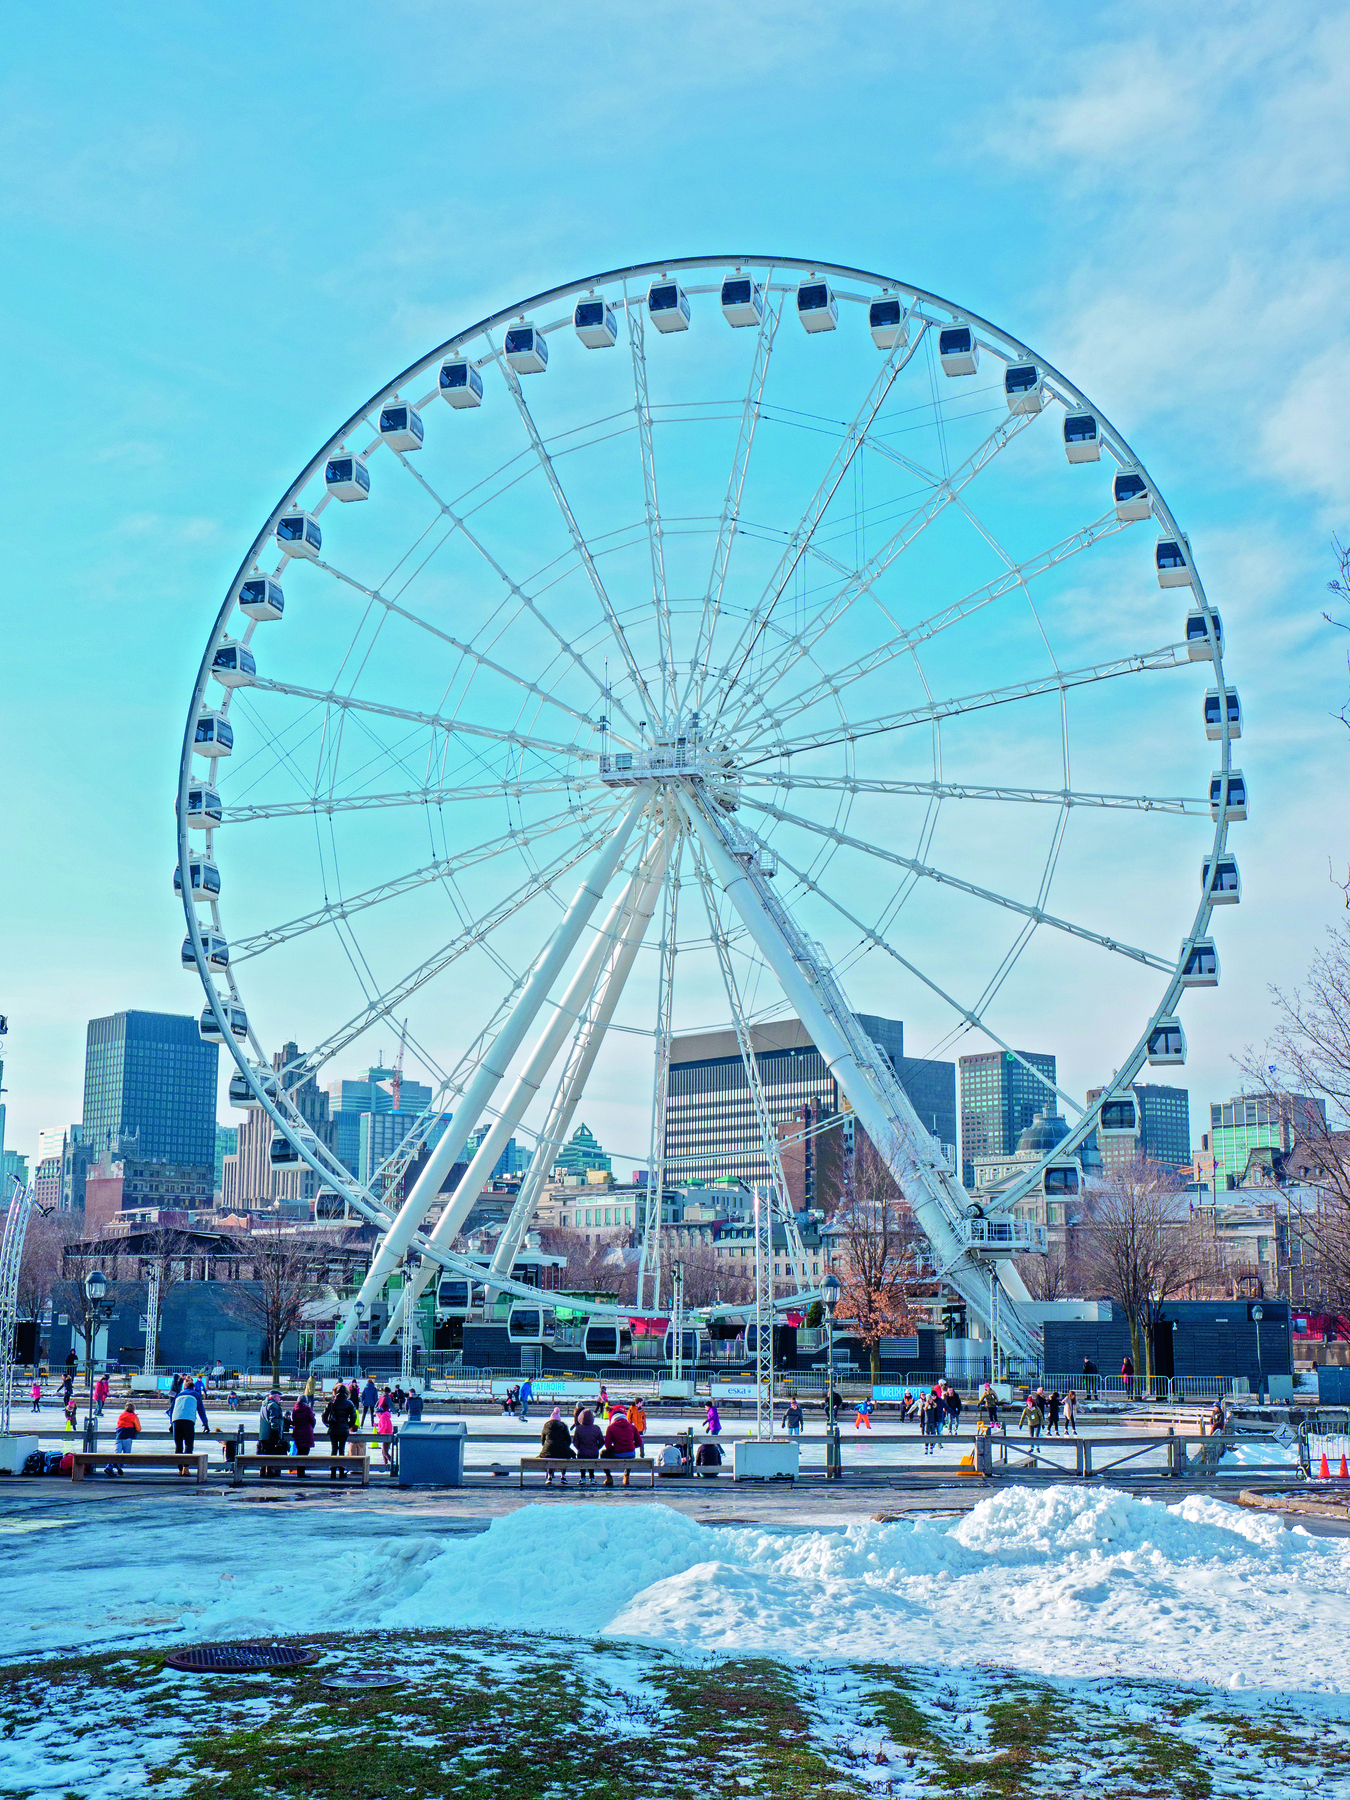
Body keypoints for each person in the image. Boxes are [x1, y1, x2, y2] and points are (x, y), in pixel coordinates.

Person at [323, 1381, 357, 1479]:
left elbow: (324, 1416)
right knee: (341, 1450)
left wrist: (328, 1424)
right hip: (344, 1430)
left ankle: (333, 1473)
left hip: (333, 1429)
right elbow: (353, 1417)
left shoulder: (332, 1403)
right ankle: (341, 1473)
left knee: (334, 1450)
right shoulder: (349, 1403)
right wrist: (348, 1425)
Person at [170, 1383, 205, 1476]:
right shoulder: (196, 1394)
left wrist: (171, 1423)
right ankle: (186, 1467)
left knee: (178, 1445)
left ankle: (179, 1468)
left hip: (176, 1420)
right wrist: (205, 1423)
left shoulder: (179, 1395)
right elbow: (201, 1410)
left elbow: (171, 1410)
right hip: (188, 1420)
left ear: (184, 1388)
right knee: (189, 1444)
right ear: (193, 1388)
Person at [600, 1405, 638, 1486]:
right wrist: (630, 1445)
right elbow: (639, 1443)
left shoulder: (611, 1428)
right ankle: (626, 1476)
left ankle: (608, 1477)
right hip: (630, 1453)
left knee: (602, 1454)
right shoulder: (632, 1427)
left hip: (617, 1452)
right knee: (632, 1452)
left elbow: (607, 1445)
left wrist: (614, 1448)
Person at [257, 1388, 287, 1478]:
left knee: (263, 1453)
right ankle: (270, 1471)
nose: (280, 1399)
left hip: (263, 1433)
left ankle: (262, 1470)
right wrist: (275, 1431)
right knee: (270, 1453)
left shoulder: (264, 1405)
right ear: (274, 1396)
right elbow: (273, 1419)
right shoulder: (273, 1405)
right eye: (279, 1397)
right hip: (270, 1434)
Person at [105, 1403, 141, 1477]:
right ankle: (118, 1466)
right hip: (127, 1437)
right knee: (126, 1455)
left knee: (116, 1453)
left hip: (119, 1436)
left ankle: (110, 1466)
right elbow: (138, 1428)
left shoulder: (121, 1415)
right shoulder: (134, 1416)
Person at [541, 1408, 573, 1485]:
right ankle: (563, 1476)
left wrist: (546, 1446)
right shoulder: (563, 1426)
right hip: (562, 1450)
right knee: (565, 1454)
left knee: (549, 1455)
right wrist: (565, 1446)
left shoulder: (546, 1426)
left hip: (548, 1449)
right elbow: (568, 1439)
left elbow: (542, 1439)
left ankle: (549, 1476)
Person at [572, 1407, 604, 1481]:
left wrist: (579, 1448)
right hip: (594, 1453)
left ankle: (582, 1477)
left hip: (582, 1452)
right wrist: (596, 1448)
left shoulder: (578, 1428)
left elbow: (575, 1442)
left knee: (582, 1461)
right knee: (592, 1462)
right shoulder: (596, 1428)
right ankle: (592, 1477)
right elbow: (601, 1441)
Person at [289, 1392, 316, 1476]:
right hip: (306, 1433)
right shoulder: (307, 1409)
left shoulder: (295, 1410)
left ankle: (299, 1471)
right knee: (305, 1453)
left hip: (298, 1432)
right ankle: (301, 1472)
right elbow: (312, 1421)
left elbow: (294, 1421)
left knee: (299, 1452)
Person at [375, 1399, 394, 1467]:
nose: (376, 1415)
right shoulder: (385, 1416)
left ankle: (393, 1463)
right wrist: (377, 1424)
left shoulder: (382, 1417)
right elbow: (385, 1424)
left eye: (376, 1414)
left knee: (385, 1452)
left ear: (379, 1413)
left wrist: (379, 1432)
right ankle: (385, 1465)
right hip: (388, 1434)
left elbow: (384, 1426)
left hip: (386, 1436)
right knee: (384, 1452)